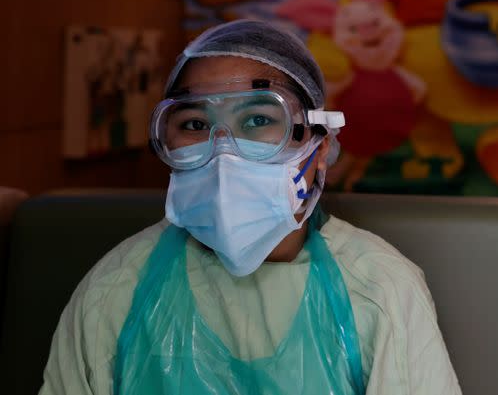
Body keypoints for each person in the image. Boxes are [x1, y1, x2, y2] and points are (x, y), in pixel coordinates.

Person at [40, 20, 461, 394]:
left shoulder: (379, 289)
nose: (223, 152)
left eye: (259, 120)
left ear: (320, 147)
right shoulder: (118, 289)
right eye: (194, 125)